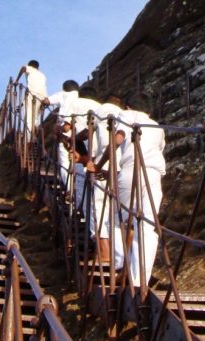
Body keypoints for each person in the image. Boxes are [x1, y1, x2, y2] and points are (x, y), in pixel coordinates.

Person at [113, 94, 166, 288]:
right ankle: (138, 279)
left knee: (117, 221)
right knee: (147, 226)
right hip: (153, 175)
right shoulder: (157, 127)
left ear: (127, 106)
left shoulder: (127, 115)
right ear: (149, 110)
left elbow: (118, 139)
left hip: (131, 170)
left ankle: (120, 266)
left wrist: (99, 163)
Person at [84, 93, 124, 263]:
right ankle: (122, 258)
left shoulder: (97, 114)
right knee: (118, 212)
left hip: (105, 163)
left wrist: (92, 164)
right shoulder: (125, 116)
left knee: (98, 207)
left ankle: (105, 252)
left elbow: (93, 148)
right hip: (126, 167)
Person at [61, 86, 101, 214]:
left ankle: (80, 209)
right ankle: (91, 213)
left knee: (79, 178)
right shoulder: (100, 107)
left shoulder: (75, 103)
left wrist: (59, 131)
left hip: (80, 144)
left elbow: (67, 127)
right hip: (97, 145)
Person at [42, 80, 80, 189]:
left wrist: (42, 104)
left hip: (65, 130)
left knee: (64, 161)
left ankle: (69, 189)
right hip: (80, 130)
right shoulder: (79, 96)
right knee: (78, 160)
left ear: (64, 88)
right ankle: (79, 190)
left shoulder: (63, 94)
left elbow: (47, 101)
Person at [14, 60, 47, 140]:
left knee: (28, 116)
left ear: (30, 65)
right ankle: (35, 135)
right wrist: (22, 104)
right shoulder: (42, 75)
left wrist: (17, 80)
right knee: (35, 118)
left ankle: (27, 139)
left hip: (31, 94)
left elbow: (23, 67)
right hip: (42, 97)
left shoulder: (30, 69)